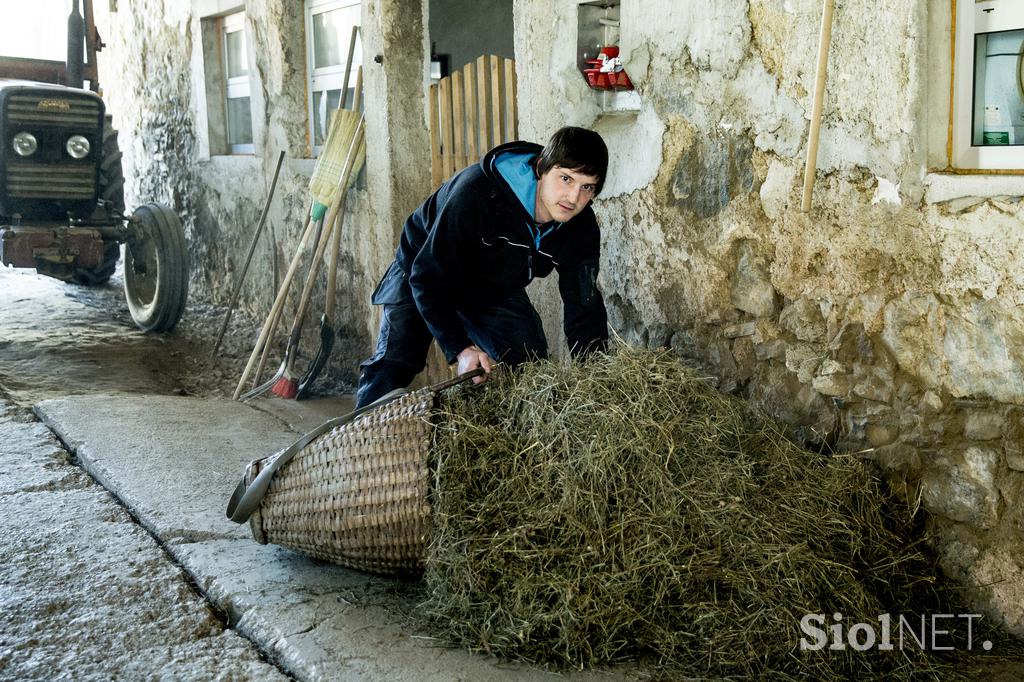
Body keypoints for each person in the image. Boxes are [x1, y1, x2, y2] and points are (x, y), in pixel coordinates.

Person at [355, 126, 610, 409]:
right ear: (541, 168)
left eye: (587, 187)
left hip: (492, 286)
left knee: (530, 365)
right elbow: (427, 277)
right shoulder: (477, 193)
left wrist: (596, 380)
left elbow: (583, 304)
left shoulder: (580, 226)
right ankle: (353, 444)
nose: (573, 198)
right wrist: (460, 350)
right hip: (424, 269)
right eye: (566, 179)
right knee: (394, 364)